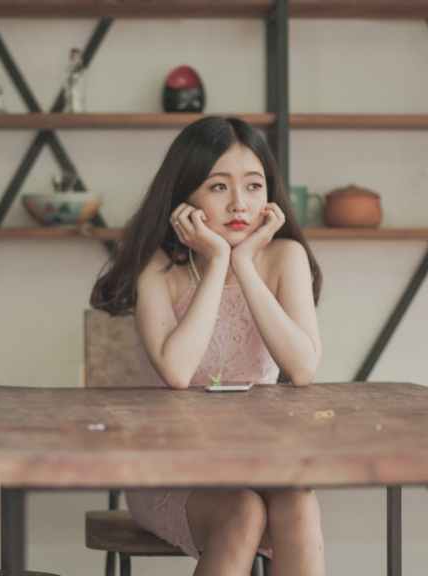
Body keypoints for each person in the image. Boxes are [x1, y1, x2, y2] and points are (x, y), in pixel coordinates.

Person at [91, 116, 325, 576]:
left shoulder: (284, 257)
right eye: (219, 187)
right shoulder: (157, 267)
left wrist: (245, 264)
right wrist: (219, 261)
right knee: (243, 512)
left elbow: (303, 368)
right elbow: (177, 372)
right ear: (185, 197)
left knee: (298, 500)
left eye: (254, 186)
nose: (240, 203)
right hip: (170, 468)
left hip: (258, 459)